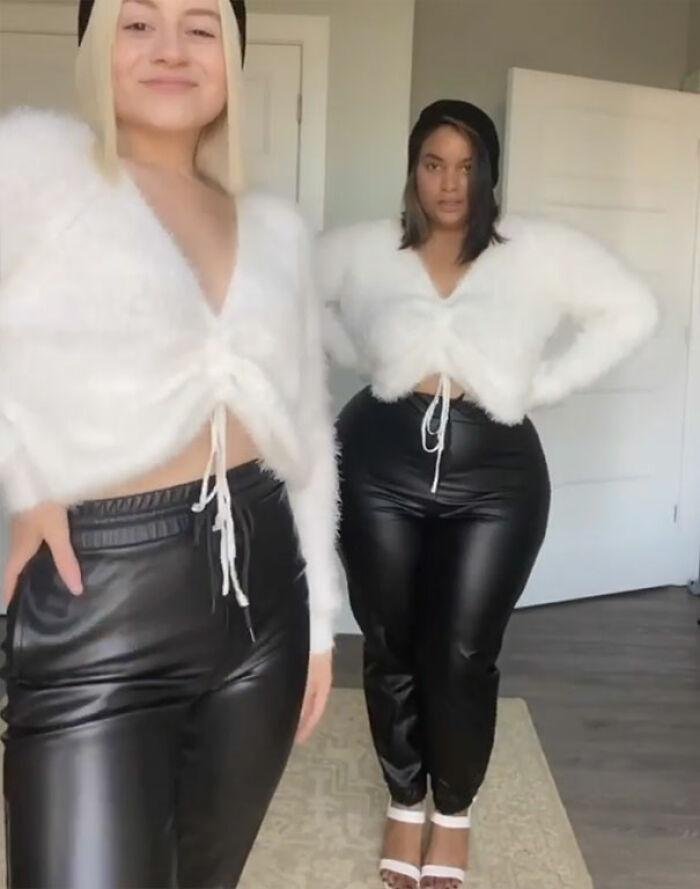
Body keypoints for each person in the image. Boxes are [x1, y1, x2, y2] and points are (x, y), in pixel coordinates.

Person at [0, 1, 341, 886]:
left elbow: (304, 431)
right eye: (138, 22)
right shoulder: (31, 172)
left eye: (199, 26)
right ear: (95, 47)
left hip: (262, 595)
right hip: (97, 594)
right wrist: (25, 475)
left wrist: (321, 620)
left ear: (232, 55)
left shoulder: (276, 230)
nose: (170, 50)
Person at [316, 99, 658, 889]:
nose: (450, 183)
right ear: (413, 170)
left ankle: (454, 811)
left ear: (490, 173)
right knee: (391, 640)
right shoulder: (365, 248)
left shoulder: (537, 250)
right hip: (378, 463)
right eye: (434, 163)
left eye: (468, 166)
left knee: (464, 652)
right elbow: (285, 295)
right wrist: (363, 353)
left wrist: (546, 384)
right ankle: (405, 799)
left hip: (496, 477)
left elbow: (632, 309)